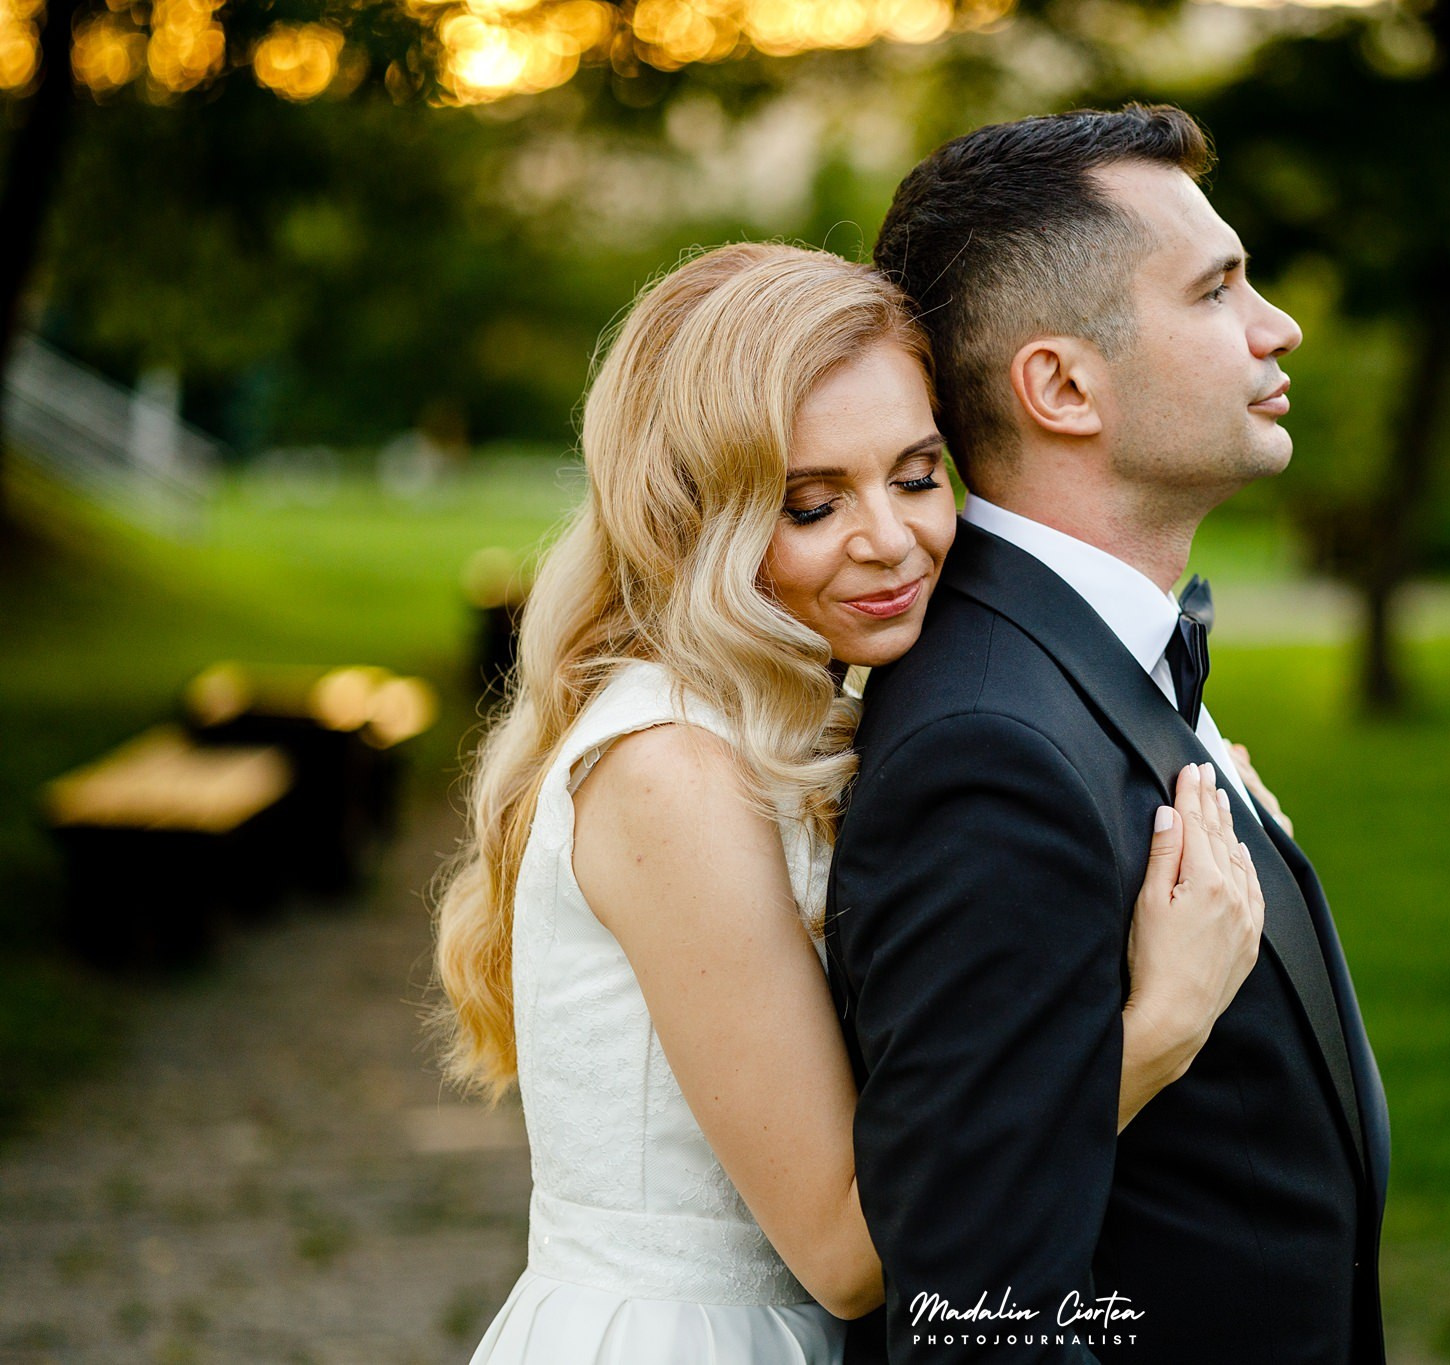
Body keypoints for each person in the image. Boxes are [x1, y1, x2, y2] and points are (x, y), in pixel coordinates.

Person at [430, 240, 1273, 1364]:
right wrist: (1155, 1030)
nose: (889, 541)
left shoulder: (783, 710)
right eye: (810, 504)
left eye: (917, 476)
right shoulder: (669, 770)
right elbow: (838, 1241)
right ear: (691, 517)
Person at [826, 105, 1392, 1364]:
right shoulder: (987, 755)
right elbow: (985, 1321)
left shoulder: (1085, 671)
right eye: (1217, 289)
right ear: (1062, 386)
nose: (1275, 325)